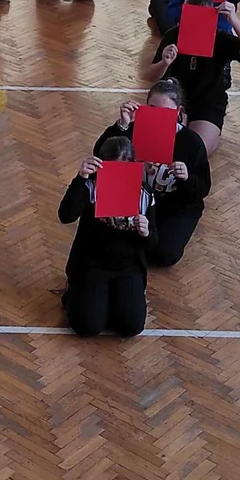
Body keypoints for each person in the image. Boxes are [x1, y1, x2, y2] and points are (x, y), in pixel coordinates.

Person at [93, 81, 211, 267]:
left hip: (174, 207)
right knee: (103, 239)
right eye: (152, 108)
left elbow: (203, 188)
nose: (158, 116)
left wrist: (187, 178)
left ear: (178, 111)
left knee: (165, 254)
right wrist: (121, 126)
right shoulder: (133, 129)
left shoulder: (190, 142)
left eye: (165, 111)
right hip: (139, 201)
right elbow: (101, 155)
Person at [58, 137, 157, 337]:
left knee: (131, 327)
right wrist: (81, 178)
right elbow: (66, 215)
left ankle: (111, 298)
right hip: (92, 265)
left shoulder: (145, 195)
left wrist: (146, 232)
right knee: (87, 327)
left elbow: (152, 242)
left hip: (128, 267)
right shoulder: (90, 188)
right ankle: (74, 291)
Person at [149, 0, 240, 156]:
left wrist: (233, 19)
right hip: (175, 101)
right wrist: (164, 63)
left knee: (196, 151)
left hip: (208, 103)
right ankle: (184, 124)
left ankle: (209, 134)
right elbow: (151, 76)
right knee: (156, 148)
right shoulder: (173, 35)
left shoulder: (220, 39)